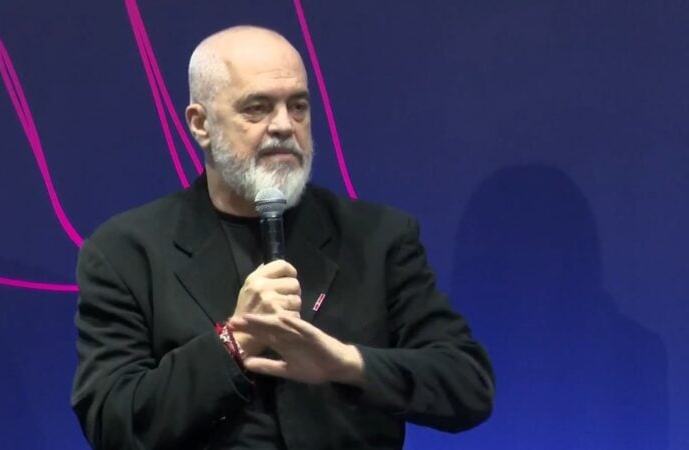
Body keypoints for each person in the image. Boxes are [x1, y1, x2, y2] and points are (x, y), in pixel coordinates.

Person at [71, 25, 494, 450]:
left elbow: (467, 383)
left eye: (298, 107)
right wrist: (235, 341)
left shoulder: (378, 238)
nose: (284, 126)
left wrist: (347, 364)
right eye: (257, 108)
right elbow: (112, 421)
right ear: (200, 124)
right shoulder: (126, 252)